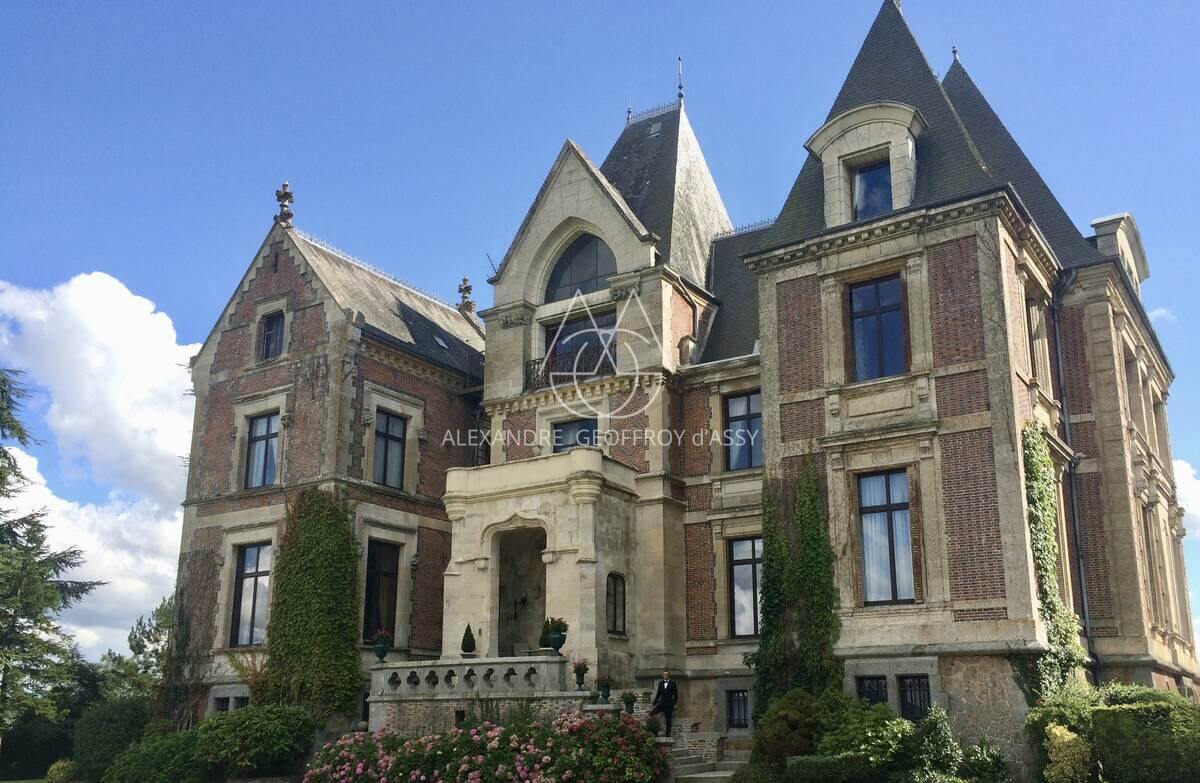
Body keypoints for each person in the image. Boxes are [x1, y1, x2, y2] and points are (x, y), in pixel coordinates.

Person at [648, 669, 678, 736]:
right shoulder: (660, 683)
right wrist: (653, 704)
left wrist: (673, 704)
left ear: (669, 675)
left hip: (669, 705)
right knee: (650, 715)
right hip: (661, 704)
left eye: (667, 674)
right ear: (662, 675)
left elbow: (676, 695)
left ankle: (667, 735)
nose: (666, 675)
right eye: (664, 674)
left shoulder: (673, 683)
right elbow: (658, 694)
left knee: (668, 720)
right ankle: (654, 731)